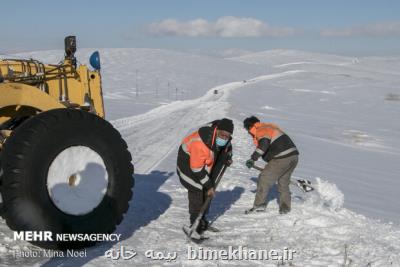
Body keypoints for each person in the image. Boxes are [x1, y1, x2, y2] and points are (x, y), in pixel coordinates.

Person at [177, 118, 234, 237]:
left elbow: (226, 149)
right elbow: (196, 168)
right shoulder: (201, 142)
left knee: (208, 194)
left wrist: (227, 158)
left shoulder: (224, 140)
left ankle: (202, 222)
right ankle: (195, 225)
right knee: (197, 191)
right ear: (216, 130)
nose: (224, 138)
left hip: (205, 168)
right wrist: (208, 186)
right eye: (222, 135)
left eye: (227, 136)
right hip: (188, 168)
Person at [243, 116, 298, 214]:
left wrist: (253, 159)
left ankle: (259, 206)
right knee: (283, 183)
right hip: (293, 156)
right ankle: (285, 208)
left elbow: (263, 145)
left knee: (264, 179)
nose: (248, 132)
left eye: (247, 129)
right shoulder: (270, 128)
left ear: (251, 126)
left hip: (282, 157)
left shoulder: (261, 130)